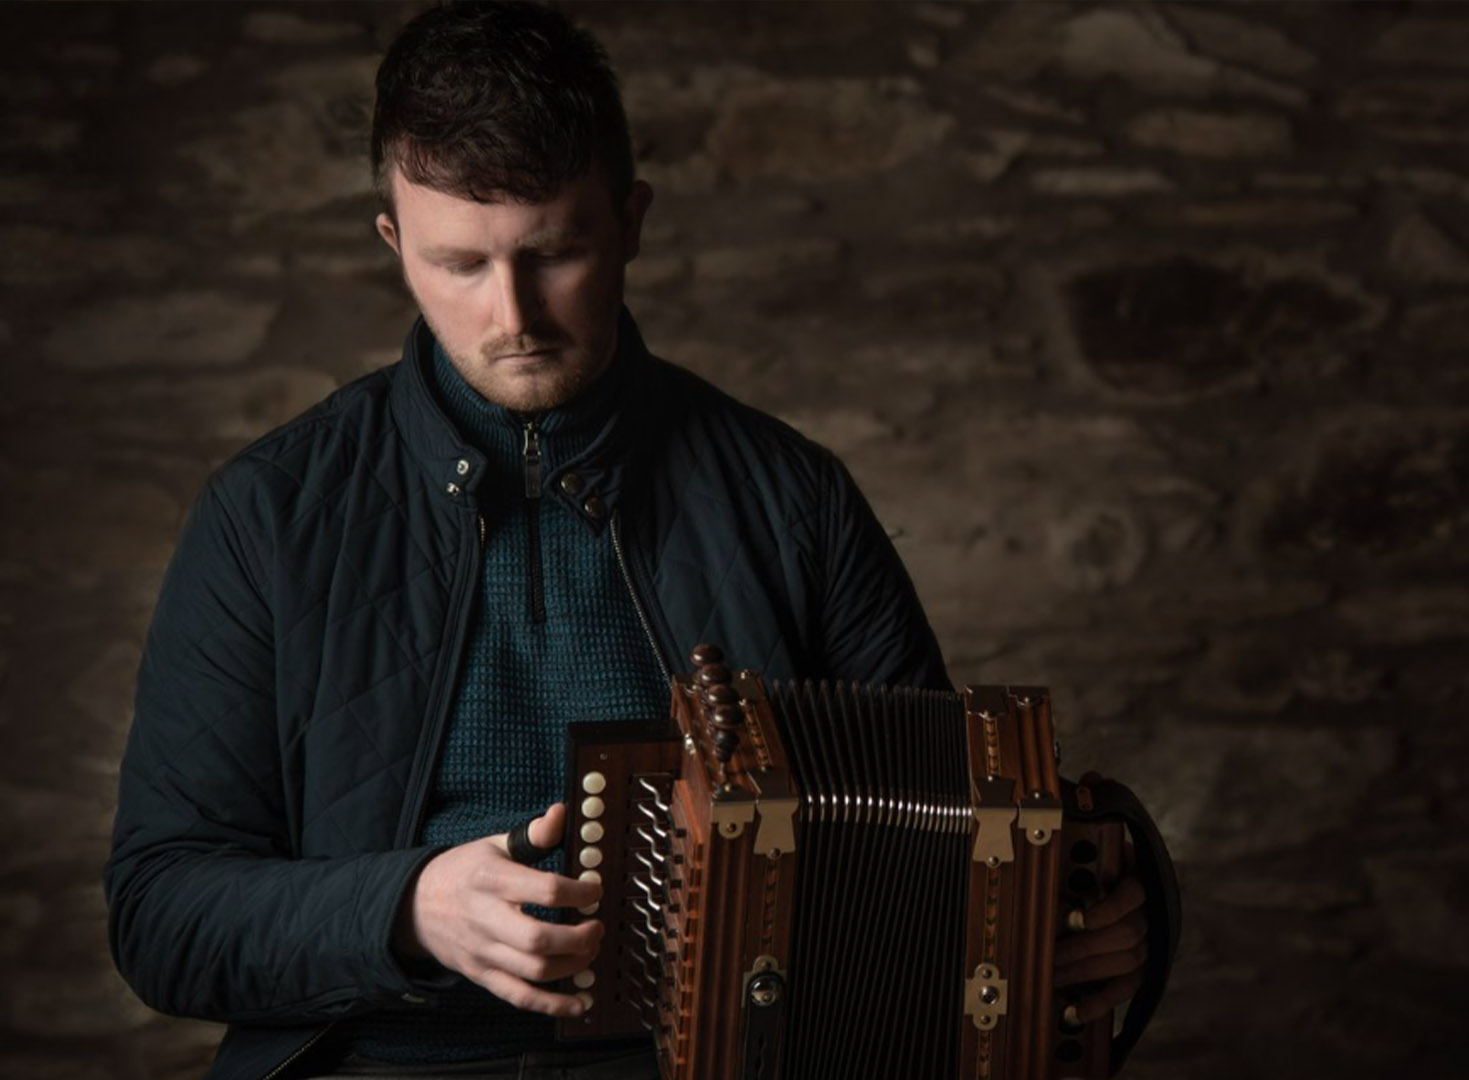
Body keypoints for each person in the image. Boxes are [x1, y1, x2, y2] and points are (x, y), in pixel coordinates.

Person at [104, 4, 1147, 1079]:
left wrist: (1071, 923)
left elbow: (943, 849)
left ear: (632, 221)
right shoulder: (267, 513)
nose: (512, 315)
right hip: (377, 1056)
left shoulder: (795, 499)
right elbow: (160, 915)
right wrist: (410, 908)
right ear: (393, 245)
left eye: (553, 252)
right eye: (458, 265)